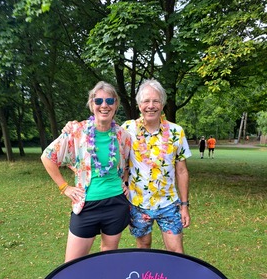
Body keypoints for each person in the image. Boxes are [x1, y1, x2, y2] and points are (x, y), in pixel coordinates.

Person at [41, 81, 131, 262]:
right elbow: (47, 157)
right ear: (91, 105)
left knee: (108, 257)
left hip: (115, 203)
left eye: (109, 100)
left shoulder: (123, 135)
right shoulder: (76, 131)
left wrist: (126, 182)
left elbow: (126, 163)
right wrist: (64, 187)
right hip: (86, 205)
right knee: (72, 264)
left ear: (116, 104)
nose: (104, 105)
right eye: (98, 101)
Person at [121, 79, 192, 253]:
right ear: (139, 105)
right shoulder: (127, 129)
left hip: (169, 203)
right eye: (146, 101)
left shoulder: (176, 132)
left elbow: (182, 171)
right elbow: (113, 153)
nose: (150, 106)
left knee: (176, 251)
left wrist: (184, 206)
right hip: (138, 203)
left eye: (156, 101)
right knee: (143, 247)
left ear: (162, 104)